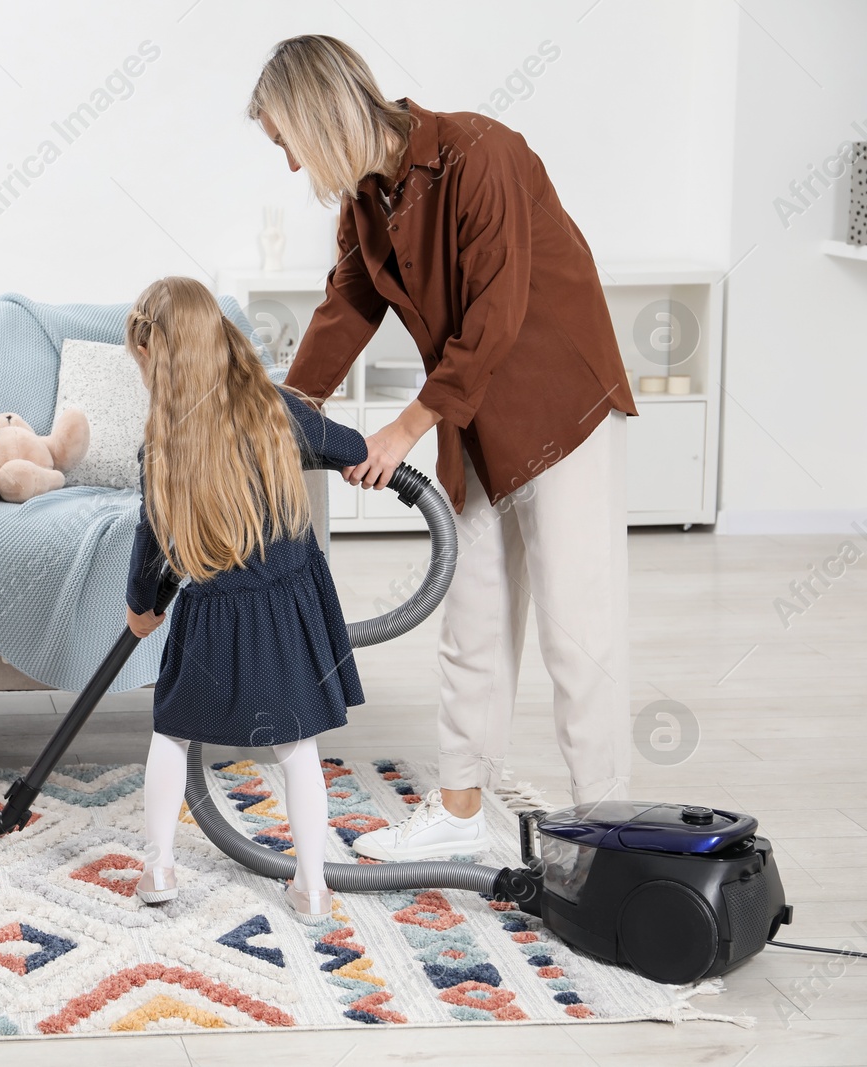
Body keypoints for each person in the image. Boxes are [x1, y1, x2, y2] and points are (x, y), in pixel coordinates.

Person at [249, 35, 636, 860]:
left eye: (285, 141)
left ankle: (609, 835)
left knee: (579, 632)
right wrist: (287, 412)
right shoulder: (367, 200)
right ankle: (462, 812)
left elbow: (494, 311)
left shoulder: (480, 153)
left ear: (318, 116)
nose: (287, 164)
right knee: (473, 620)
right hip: (472, 413)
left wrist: (405, 426)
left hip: (559, 408)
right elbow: (347, 302)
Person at [124, 276, 368, 922]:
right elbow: (353, 448)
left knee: (171, 735)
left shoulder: (163, 445)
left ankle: (159, 867)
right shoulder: (279, 412)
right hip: (287, 614)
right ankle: (312, 884)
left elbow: (150, 543)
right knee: (298, 751)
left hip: (209, 618)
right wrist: (357, 461)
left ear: (160, 360)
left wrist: (140, 607)